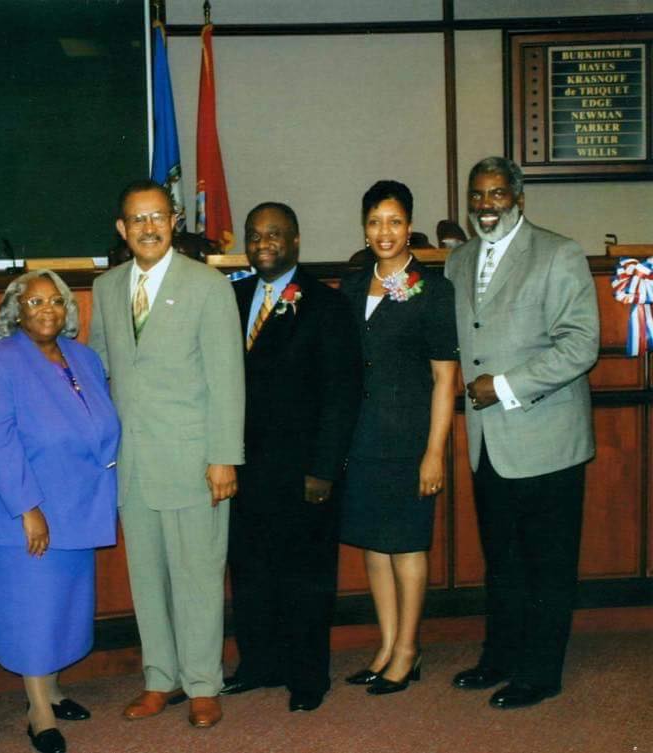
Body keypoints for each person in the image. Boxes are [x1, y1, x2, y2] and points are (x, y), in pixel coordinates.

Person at [87, 180, 245, 729]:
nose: (149, 227)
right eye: (137, 219)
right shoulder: (107, 288)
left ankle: (202, 683)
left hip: (194, 460)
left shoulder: (208, 285)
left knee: (198, 576)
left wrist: (224, 457)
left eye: (158, 217)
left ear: (174, 221)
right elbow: (100, 371)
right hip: (131, 464)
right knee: (147, 579)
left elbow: (227, 378)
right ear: (122, 229)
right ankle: (161, 678)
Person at [445, 157, 599, 709]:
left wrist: (505, 386)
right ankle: (501, 657)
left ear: (518, 198)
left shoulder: (558, 253)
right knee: (504, 562)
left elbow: (581, 345)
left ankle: (540, 673)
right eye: (477, 195)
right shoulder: (458, 260)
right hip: (488, 443)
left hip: (547, 438)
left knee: (547, 566)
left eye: (496, 194)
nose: (485, 205)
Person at [222, 202, 361, 712]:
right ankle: (259, 664)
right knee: (251, 571)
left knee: (306, 576)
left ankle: (307, 676)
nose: (263, 243)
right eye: (255, 235)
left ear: (296, 240)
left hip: (304, 472)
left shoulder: (326, 304)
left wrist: (324, 469)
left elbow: (343, 393)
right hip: (243, 467)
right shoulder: (231, 298)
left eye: (274, 234)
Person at [0, 270, 120, 753]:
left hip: (78, 505)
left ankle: (53, 691)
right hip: (29, 509)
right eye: (34, 302)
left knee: (63, 607)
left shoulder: (84, 357)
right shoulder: (2, 360)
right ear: (15, 310)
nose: (46, 310)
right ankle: (38, 712)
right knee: (34, 611)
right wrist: (27, 508)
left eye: (55, 301)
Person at [339, 181, 459, 695]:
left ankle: (409, 650)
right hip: (361, 438)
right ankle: (387, 645)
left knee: (406, 544)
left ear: (409, 227)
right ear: (364, 228)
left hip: (409, 439)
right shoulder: (350, 287)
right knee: (374, 544)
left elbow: (445, 379)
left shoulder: (433, 290)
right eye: (374, 222)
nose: (383, 232)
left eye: (393, 221)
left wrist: (434, 452)